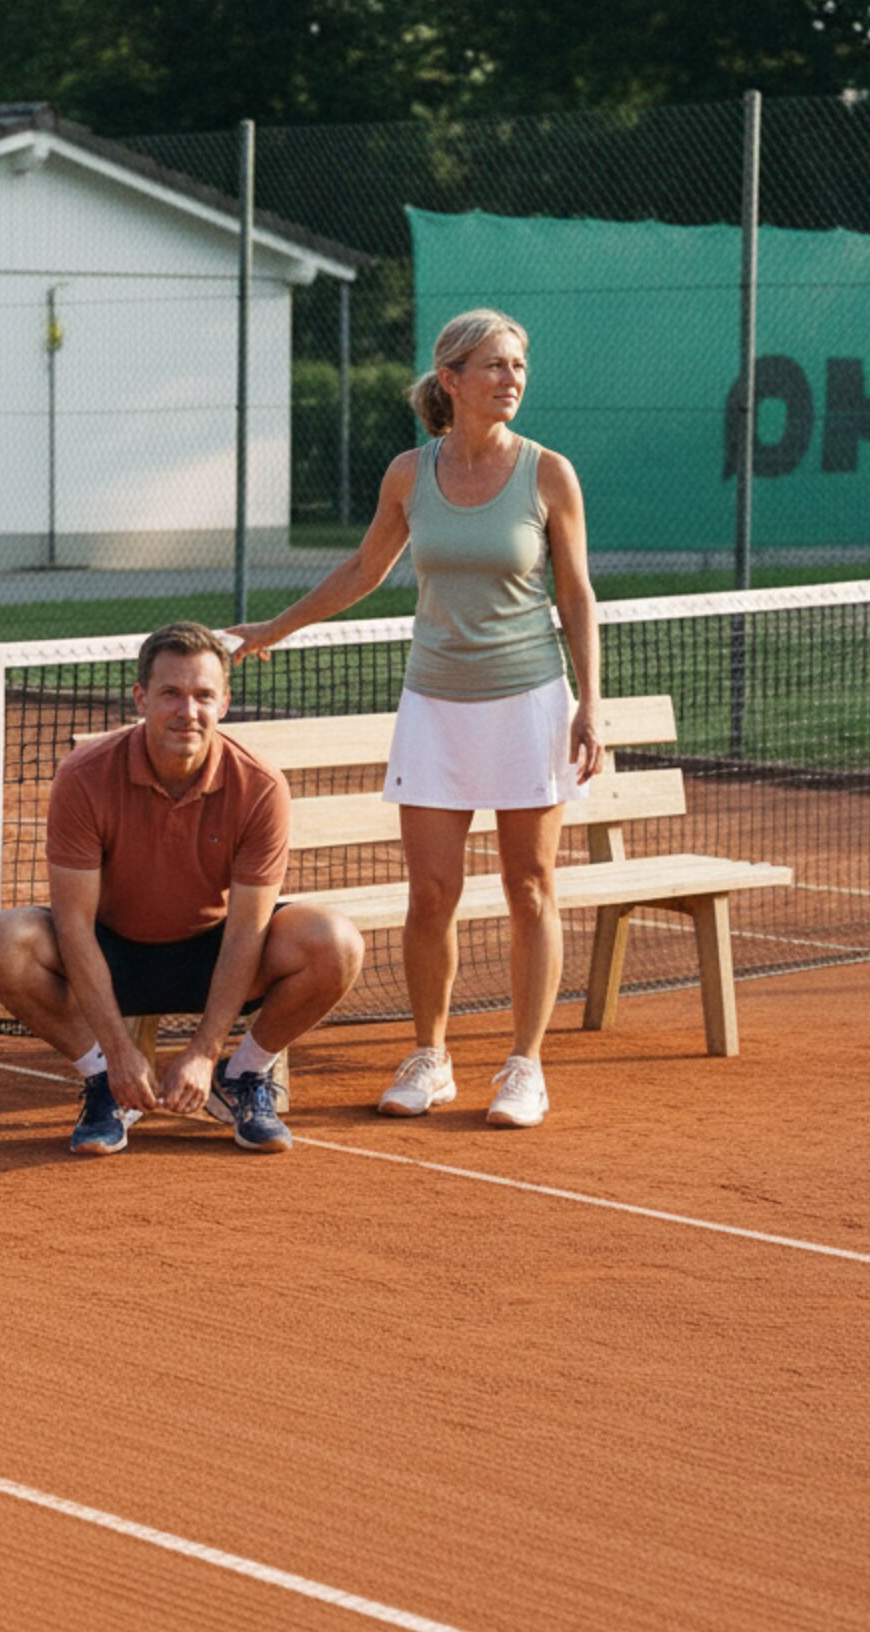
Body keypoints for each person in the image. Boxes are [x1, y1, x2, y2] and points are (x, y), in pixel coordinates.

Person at [229, 309, 603, 1130]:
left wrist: (590, 703)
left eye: (518, 367)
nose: (512, 380)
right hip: (434, 702)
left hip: (529, 698)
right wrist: (273, 630)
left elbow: (575, 593)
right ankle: (432, 1058)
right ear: (452, 381)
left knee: (530, 887)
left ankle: (524, 1066)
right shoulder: (408, 473)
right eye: (495, 367)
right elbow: (366, 568)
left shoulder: (549, 475)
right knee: (430, 893)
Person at [0, 620, 364, 1157]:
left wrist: (206, 1052)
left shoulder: (260, 787)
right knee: (2, 940)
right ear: (140, 697)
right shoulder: (84, 777)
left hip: (217, 952)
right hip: (114, 954)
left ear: (224, 702)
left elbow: (247, 930)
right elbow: (73, 925)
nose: (188, 712)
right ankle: (103, 1085)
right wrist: (115, 1053)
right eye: (171, 694)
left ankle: (243, 1075)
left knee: (336, 941)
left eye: (204, 695)